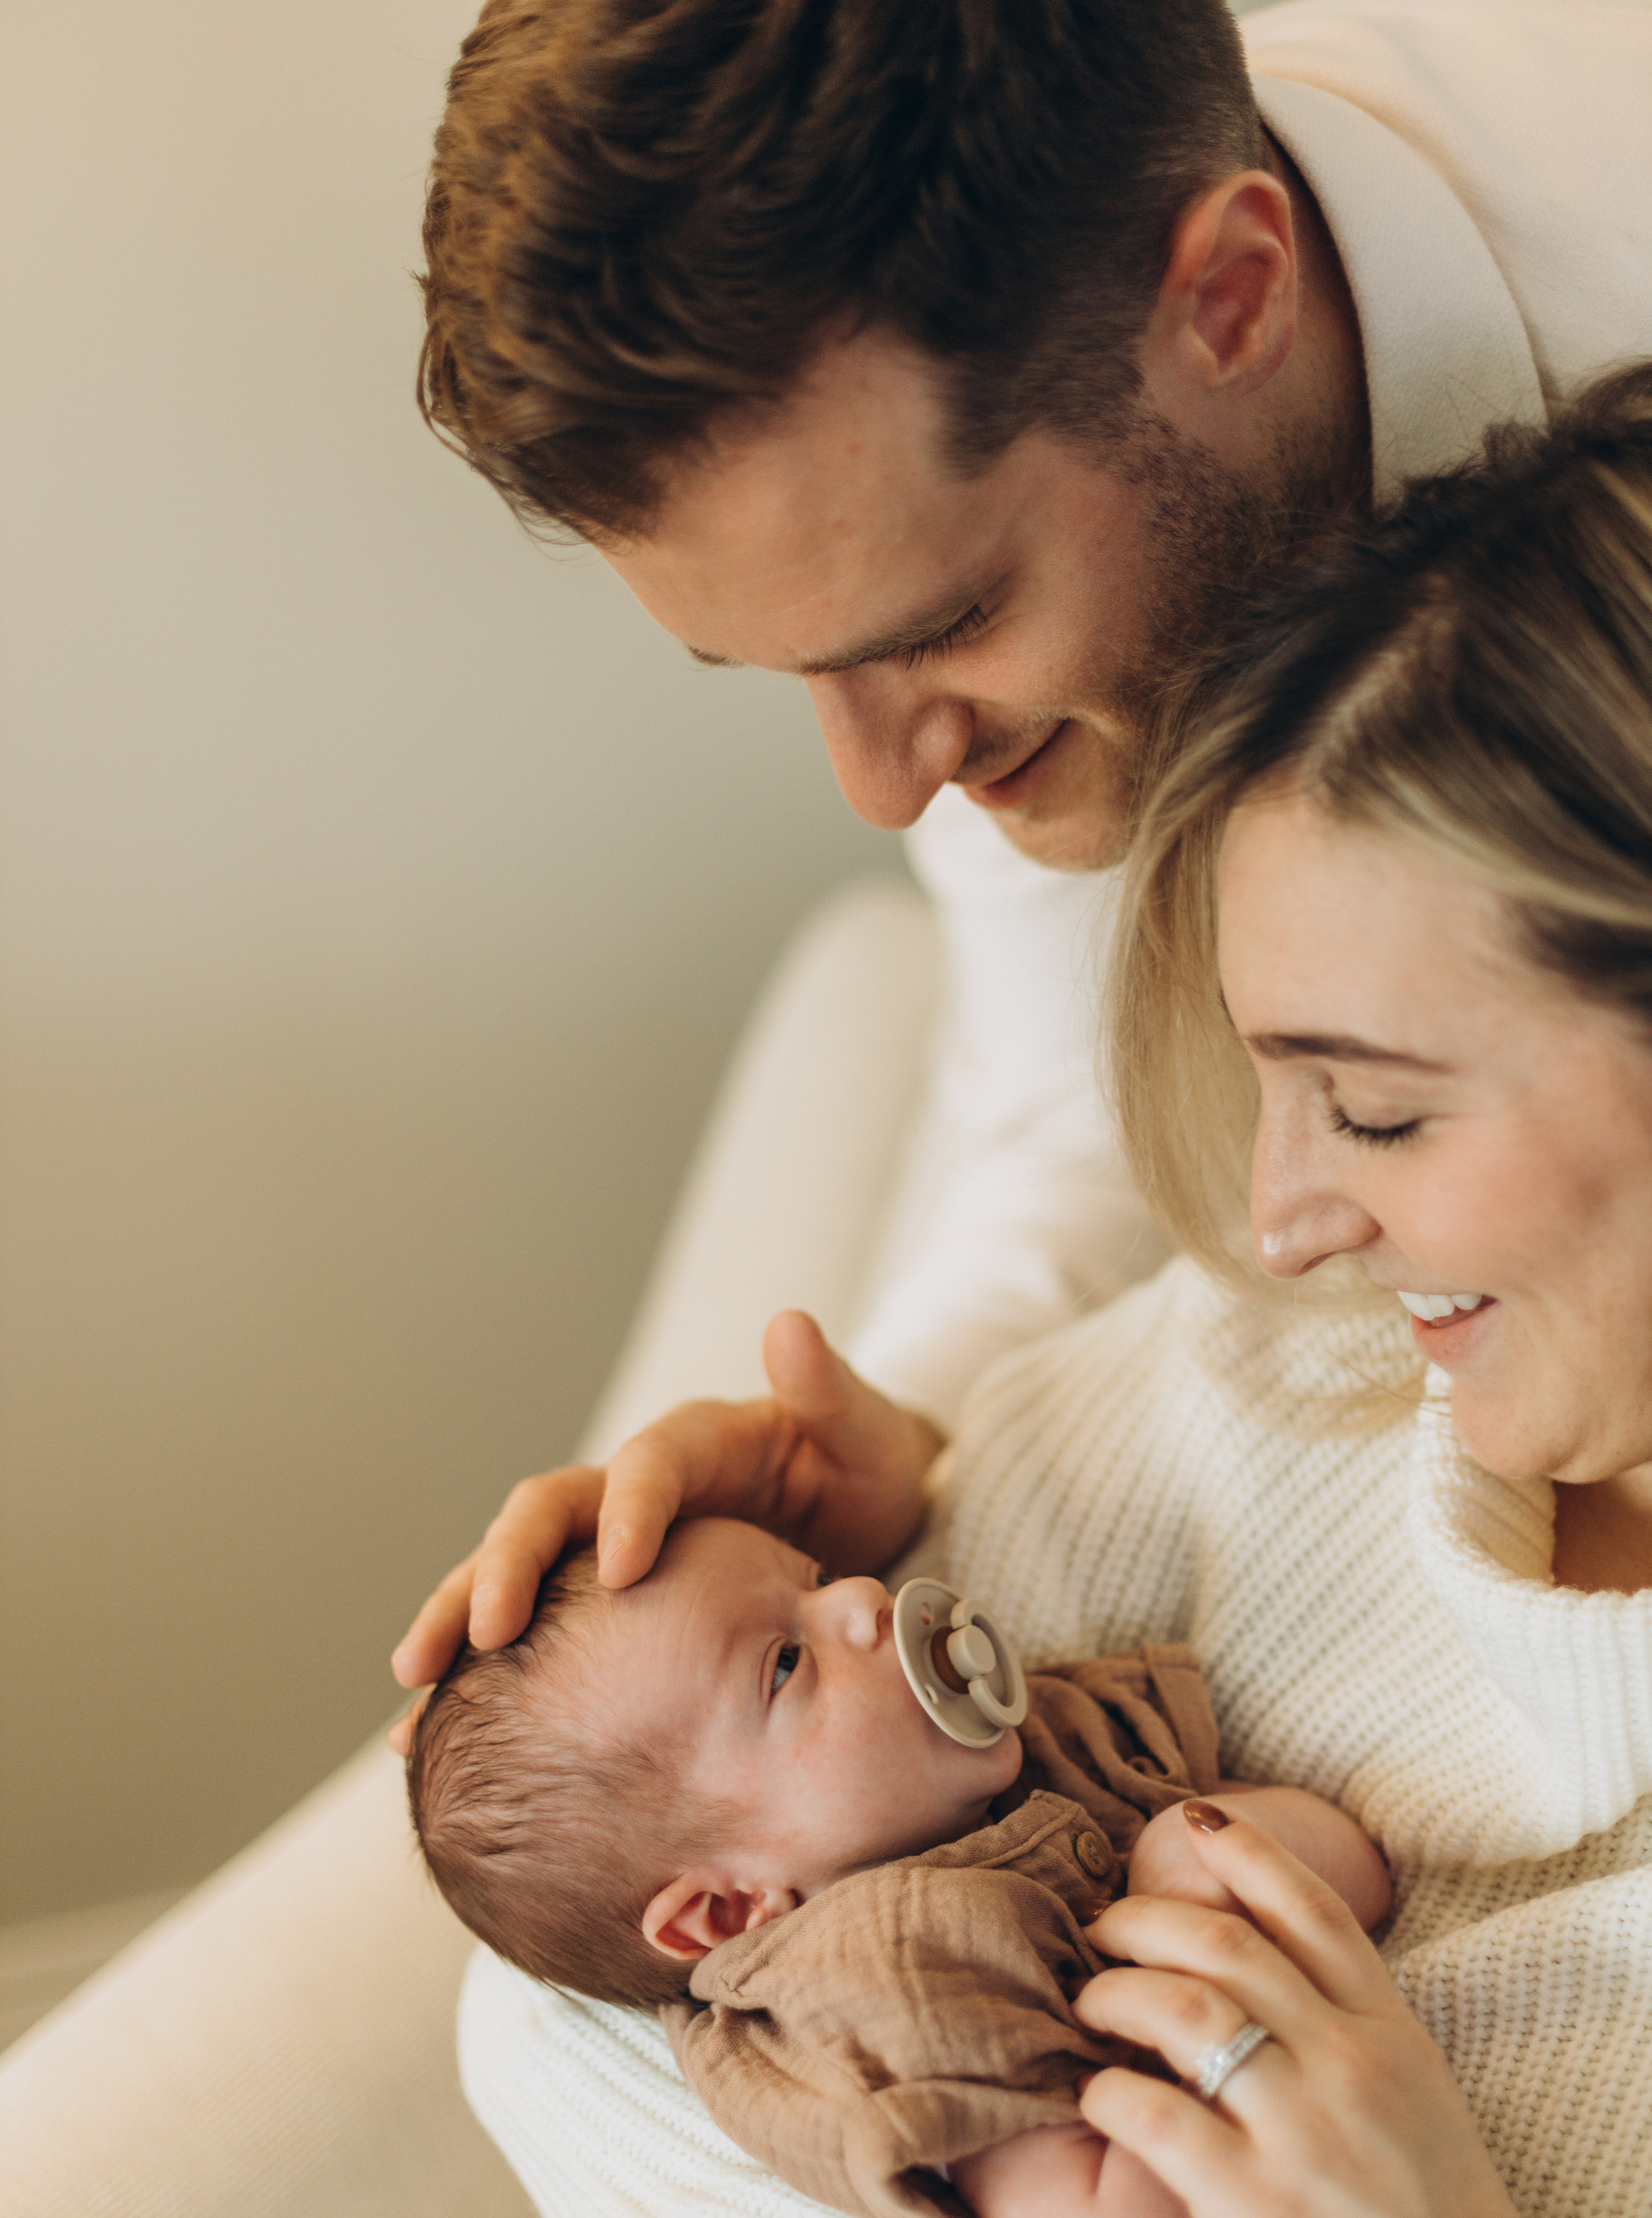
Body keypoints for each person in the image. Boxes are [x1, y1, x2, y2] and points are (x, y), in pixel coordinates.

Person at [448, 379, 1652, 2218]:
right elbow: (568, 2000)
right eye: (1270, 1083)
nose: (1282, 1217)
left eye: (1376, 1110)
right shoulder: (1262, 1390)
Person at [399, 0, 1652, 1488]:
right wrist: (898, 1451)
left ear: (1231, 299)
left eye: (942, 621)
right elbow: (1085, 1119)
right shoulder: (977, 552)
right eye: (788, 673)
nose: (883, 789)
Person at [406, 1517, 1389, 2218]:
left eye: (815, 1578)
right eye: (786, 1663)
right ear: (730, 1909)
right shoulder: (887, 1983)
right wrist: (1194, 1936)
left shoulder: (1018, 1749)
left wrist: (1209, 1860)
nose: (863, 1599)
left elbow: (1362, 1870)